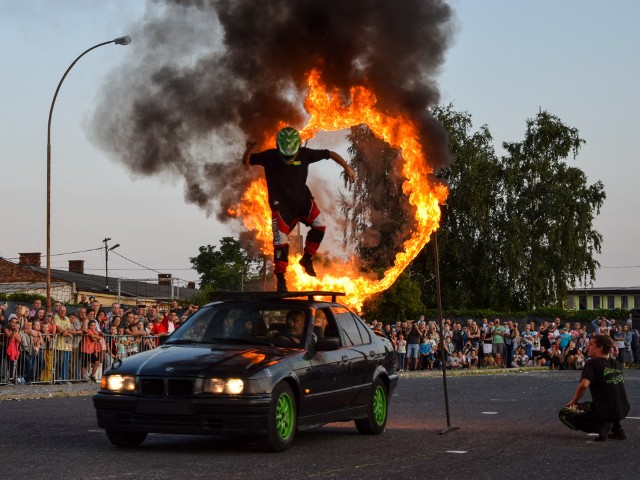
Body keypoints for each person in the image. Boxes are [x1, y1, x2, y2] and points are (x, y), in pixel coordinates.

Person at [243, 126, 356, 291]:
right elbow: (247, 161)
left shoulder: (306, 154)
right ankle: (281, 279)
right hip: (281, 208)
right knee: (280, 243)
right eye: (284, 156)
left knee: (320, 225)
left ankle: (307, 259)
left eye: (291, 156)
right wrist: (248, 149)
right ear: (278, 148)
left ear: (297, 149)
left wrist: (347, 167)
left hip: (303, 202)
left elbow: (330, 154)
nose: (287, 159)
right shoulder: (269, 156)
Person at [561, 335, 630, 441]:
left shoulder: (592, 363)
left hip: (605, 410)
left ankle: (602, 427)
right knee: (609, 402)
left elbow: (584, 385)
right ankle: (618, 430)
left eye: (591, 344)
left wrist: (574, 401)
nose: (588, 346)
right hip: (623, 408)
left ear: (600, 348)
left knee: (565, 413)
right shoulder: (616, 363)